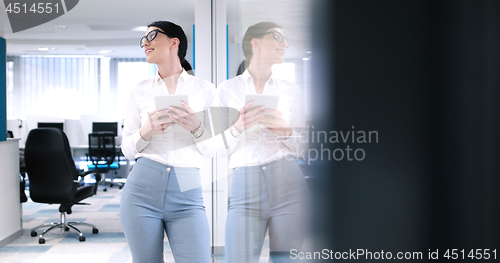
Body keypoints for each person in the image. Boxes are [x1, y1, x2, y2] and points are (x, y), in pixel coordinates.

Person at [120, 21, 214, 263]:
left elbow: (215, 148)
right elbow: (127, 150)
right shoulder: (139, 91)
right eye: (143, 39)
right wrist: (147, 130)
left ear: (175, 42)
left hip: (187, 192)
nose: (145, 43)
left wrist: (196, 126)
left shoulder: (205, 90)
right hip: (141, 191)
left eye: (152, 35)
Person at [217, 22, 309, 262]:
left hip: (289, 184)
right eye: (277, 37)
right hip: (245, 186)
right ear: (255, 43)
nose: (285, 44)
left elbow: (304, 148)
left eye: (285, 39)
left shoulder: (291, 90)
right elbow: (219, 147)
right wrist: (239, 126)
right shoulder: (227, 90)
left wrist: (285, 130)